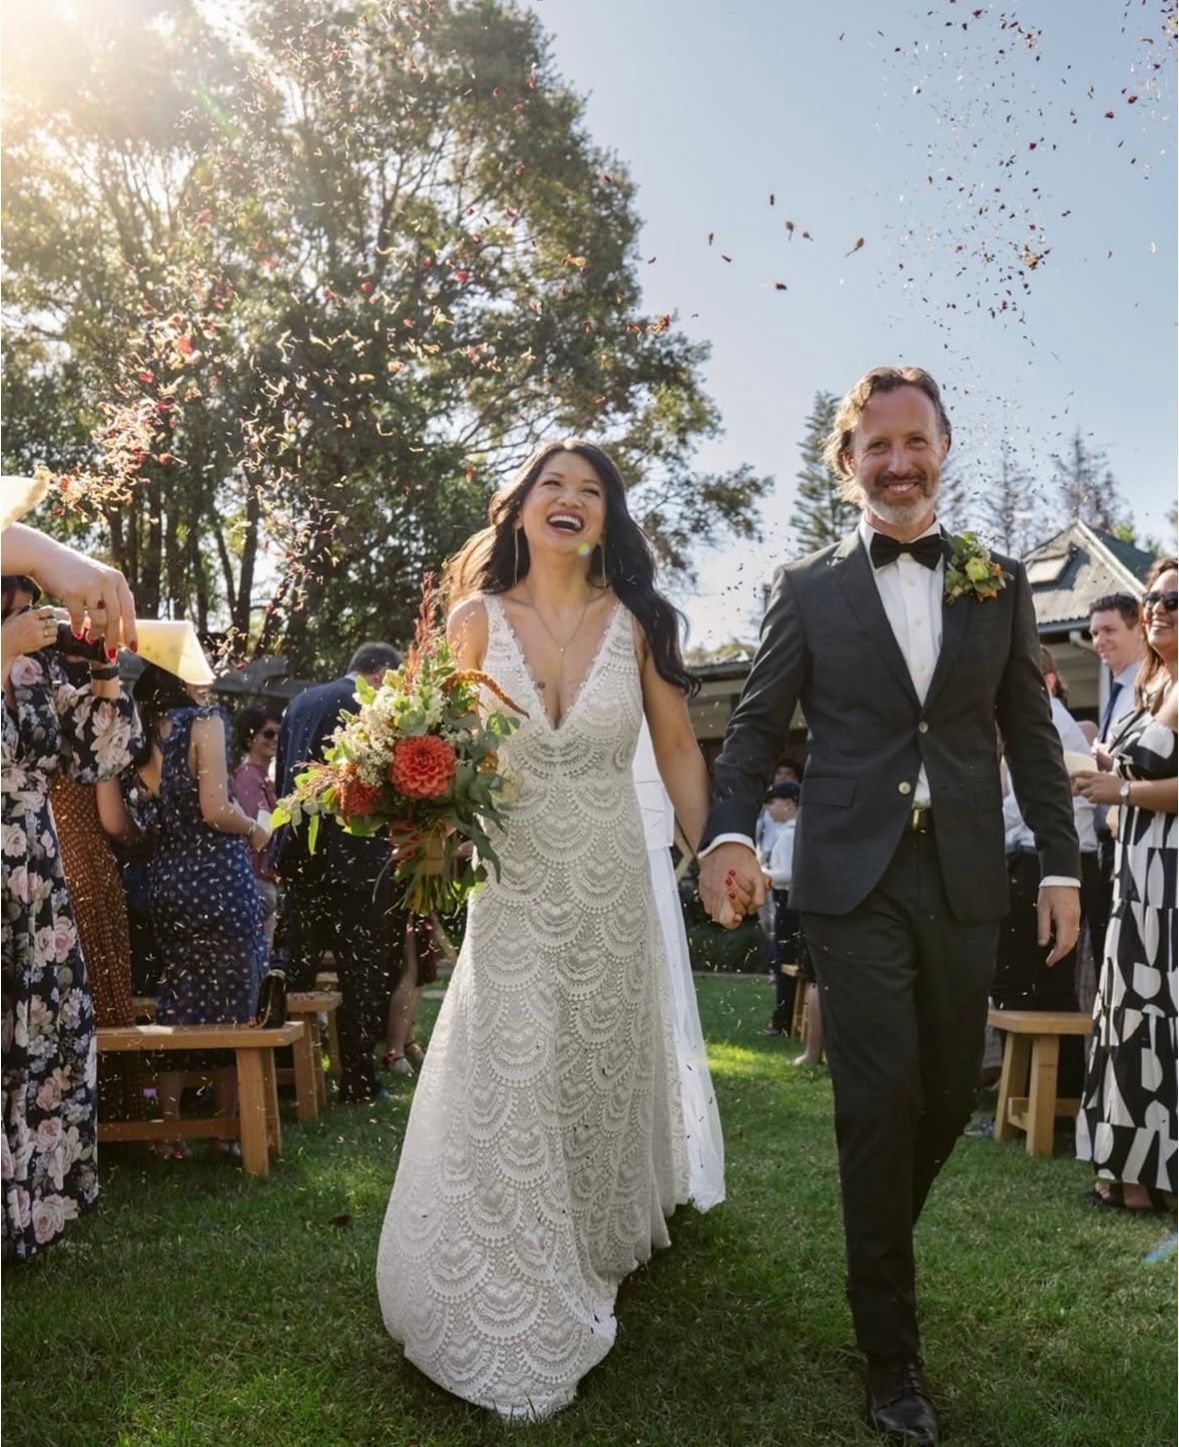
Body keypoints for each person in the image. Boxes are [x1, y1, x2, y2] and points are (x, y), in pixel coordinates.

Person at [697, 366, 1080, 1446]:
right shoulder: (806, 587)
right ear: (848, 461)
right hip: (851, 879)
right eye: (878, 445)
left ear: (944, 445)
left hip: (965, 873)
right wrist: (730, 832)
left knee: (948, 1088)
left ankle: (878, 1249)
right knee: (876, 1099)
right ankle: (890, 1354)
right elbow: (761, 722)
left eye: (917, 441)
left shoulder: (996, 581)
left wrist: (1060, 866)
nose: (899, 462)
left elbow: (1033, 738)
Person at [376, 439, 720, 1419]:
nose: (569, 499)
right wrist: (423, 833)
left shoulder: (644, 622)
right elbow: (435, 742)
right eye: (550, 485)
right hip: (514, 883)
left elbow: (681, 746)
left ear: (608, 516)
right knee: (515, 1058)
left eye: (590, 489)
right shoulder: (475, 618)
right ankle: (505, 1270)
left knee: (596, 1058)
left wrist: (725, 849)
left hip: (613, 877)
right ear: (519, 507)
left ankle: (594, 1234)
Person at [2, 542, 139, 1257]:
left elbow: (96, 757)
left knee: (47, 1032)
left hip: (34, 866)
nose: (26, 608)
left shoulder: (36, 666)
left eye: (30, 595)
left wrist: (105, 674)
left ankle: (32, 1212)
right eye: (14, 594)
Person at [96, 650, 269, 1158]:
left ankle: (169, 1131)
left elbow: (117, 823)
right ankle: (222, 1129)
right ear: (186, 681)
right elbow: (216, 809)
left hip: (167, 882)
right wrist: (255, 828)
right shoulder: (205, 721)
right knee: (235, 1001)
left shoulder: (135, 736)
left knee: (182, 999)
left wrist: (154, 845)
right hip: (218, 876)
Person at [1073, 559, 1178, 1213]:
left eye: (1173, 598)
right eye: (1152, 596)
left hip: (1172, 879)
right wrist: (1096, 761)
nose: (1158, 607)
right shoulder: (1151, 680)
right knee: (1130, 1018)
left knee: (1165, 1020)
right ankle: (1133, 1176)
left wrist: (1124, 789)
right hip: (1133, 875)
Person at [274, 642, 404, 1104]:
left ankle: (283, 1077)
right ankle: (357, 1079)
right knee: (362, 973)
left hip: (301, 858)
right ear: (380, 673)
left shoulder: (300, 702)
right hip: (356, 858)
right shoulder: (370, 705)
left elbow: (281, 781)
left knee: (297, 969)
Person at [1087, 592, 1147, 965]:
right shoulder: (1117, 687)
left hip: (1137, 839)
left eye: (1109, 630)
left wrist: (1112, 764)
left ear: (1138, 629)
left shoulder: (1146, 689)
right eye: (1093, 633)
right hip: (1107, 841)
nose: (1099, 641)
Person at [231, 704, 282, 952]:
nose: (275, 740)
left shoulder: (263, 779)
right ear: (250, 738)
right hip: (254, 880)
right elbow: (258, 836)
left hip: (263, 880)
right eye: (268, 734)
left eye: (278, 734)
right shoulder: (248, 779)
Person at [764, 780, 801, 1035]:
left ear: (788, 804)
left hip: (789, 904)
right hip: (787, 902)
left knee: (784, 961)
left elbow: (788, 874)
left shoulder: (790, 834)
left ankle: (784, 1021)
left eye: (773, 802)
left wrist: (761, 872)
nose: (769, 808)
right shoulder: (791, 832)